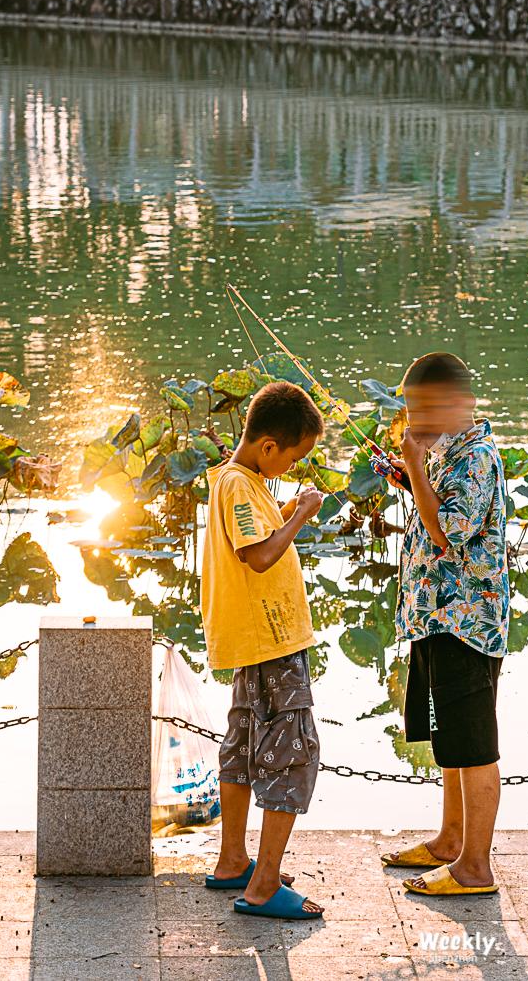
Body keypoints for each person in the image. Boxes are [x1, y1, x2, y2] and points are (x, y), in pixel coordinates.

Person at [380, 352, 510, 897]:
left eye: (421, 407)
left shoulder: (476, 456)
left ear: (459, 404)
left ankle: (475, 867)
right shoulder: (449, 453)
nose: (412, 419)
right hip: (438, 618)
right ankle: (451, 839)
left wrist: (413, 467)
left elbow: (447, 533)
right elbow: (440, 514)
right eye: (409, 407)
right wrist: (414, 477)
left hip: (466, 625)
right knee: (450, 741)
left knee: (474, 744)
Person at [200, 380, 327, 920]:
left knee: (244, 746)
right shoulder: (238, 486)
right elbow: (257, 555)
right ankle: (264, 886)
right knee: (291, 753)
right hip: (272, 643)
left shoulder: (239, 482)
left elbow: (252, 531)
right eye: (292, 456)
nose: (291, 466)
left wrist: (283, 503)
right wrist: (299, 515)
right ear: (268, 446)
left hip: (254, 640)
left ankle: (234, 860)